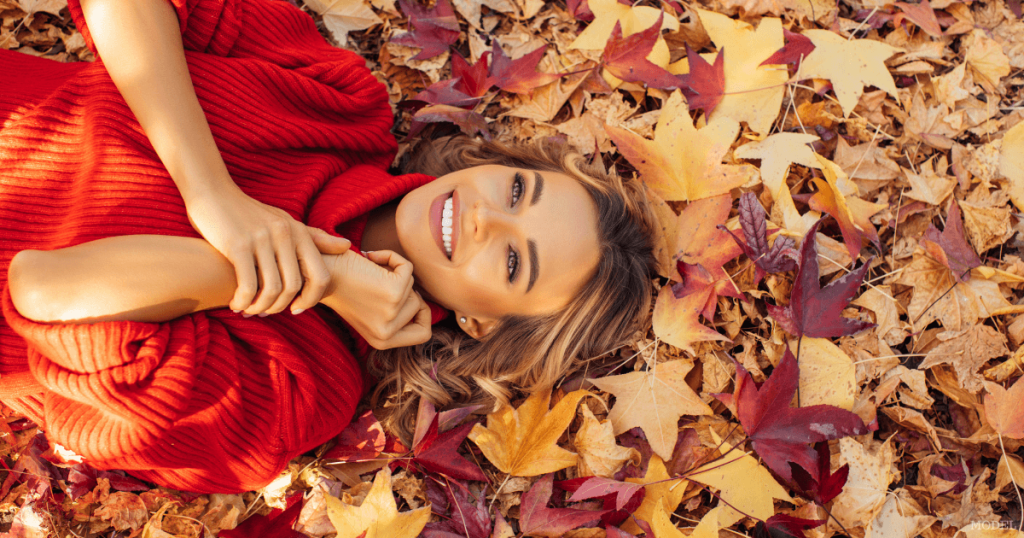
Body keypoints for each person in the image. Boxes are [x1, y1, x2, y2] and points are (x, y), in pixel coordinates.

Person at [0, 0, 657, 493]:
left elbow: (41, 289)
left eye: (514, 261)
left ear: (485, 323)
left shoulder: (299, 394)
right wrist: (213, 196)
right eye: (516, 192)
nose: (488, 218)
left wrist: (315, 273)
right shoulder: (338, 105)